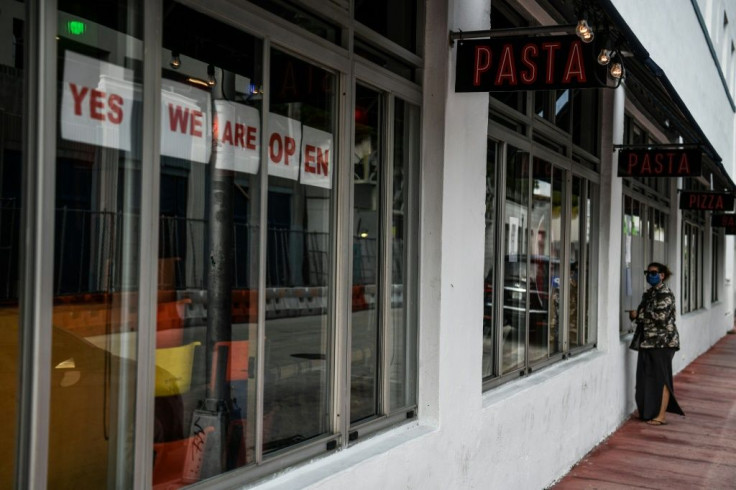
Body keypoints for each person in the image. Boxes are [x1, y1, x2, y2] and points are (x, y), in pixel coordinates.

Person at [628, 262, 684, 425]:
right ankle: (647, 412)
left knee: (662, 379)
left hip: (663, 343)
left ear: (662, 275)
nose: (649, 275)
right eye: (647, 272)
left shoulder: (665, 294)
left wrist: (637, 316)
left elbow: (660, 318)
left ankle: (661, 416)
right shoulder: (649, 294)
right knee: (646, 379)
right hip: (648, 342)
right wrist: (637, 314)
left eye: (653, 272)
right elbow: (645, 313)